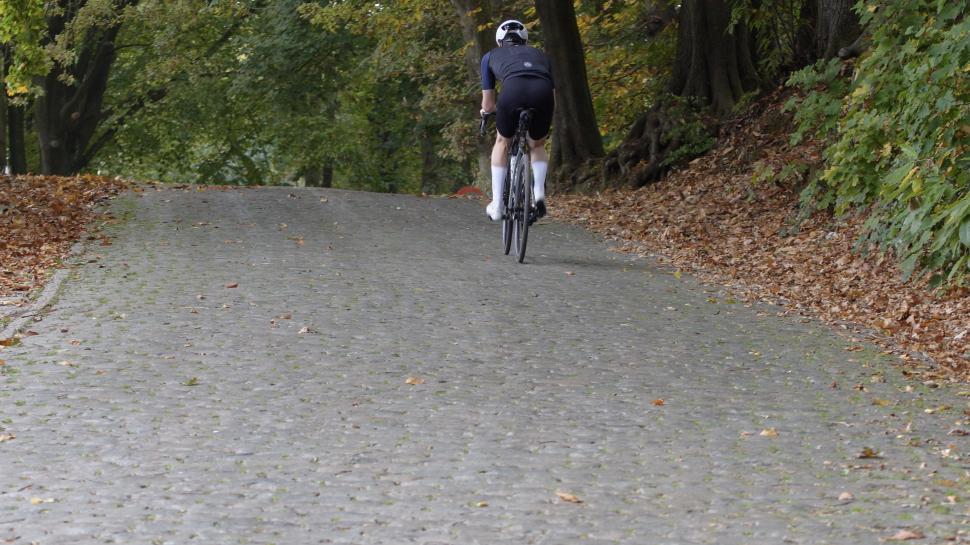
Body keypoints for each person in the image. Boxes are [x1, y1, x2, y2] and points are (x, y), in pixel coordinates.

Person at [480, 19, 555, 222]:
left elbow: (488, 105)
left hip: (512, 91)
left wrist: (487, 112)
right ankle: (538, 193)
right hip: (543, 93)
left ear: (499, 41)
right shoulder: (541, 56)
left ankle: (497, 205)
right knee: (537, 144)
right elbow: (552, 95)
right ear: (525, 40)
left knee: (502, 142)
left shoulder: (490, 56)